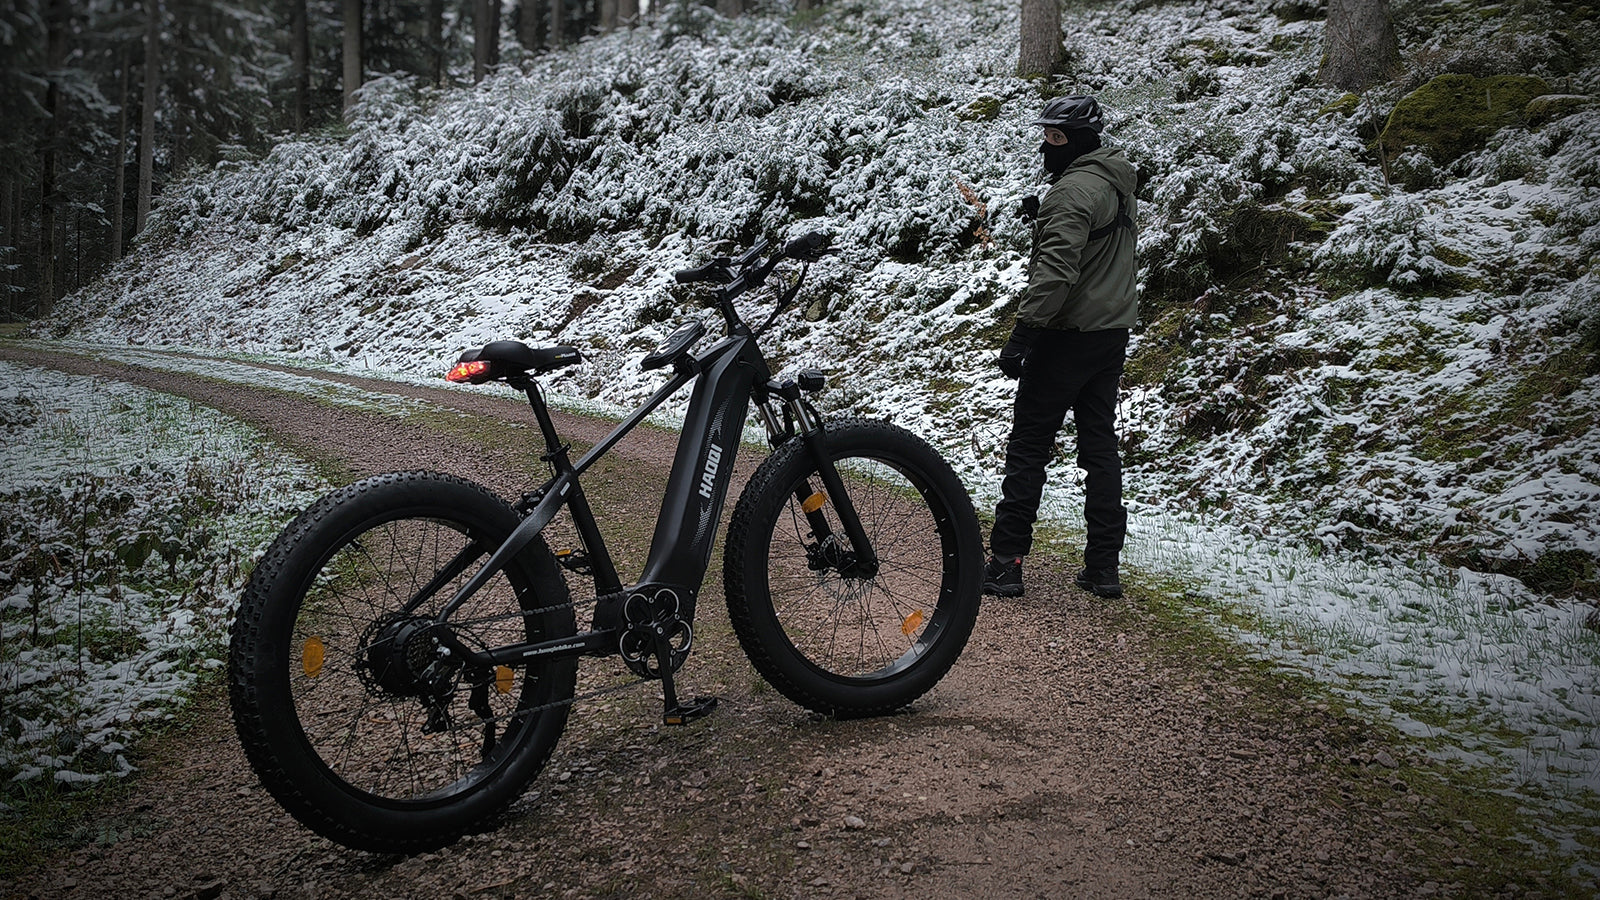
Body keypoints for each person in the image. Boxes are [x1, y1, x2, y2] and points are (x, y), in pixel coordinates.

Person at [983, 95, 1139, 600]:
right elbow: (1098, 247)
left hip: (1064, 335)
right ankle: (1103, 567)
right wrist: (1044, 218)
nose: (1046, 146)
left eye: (1055, 138)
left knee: (1029, 446)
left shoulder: (1071, 192)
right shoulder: (1117, 184)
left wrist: (1023, 334)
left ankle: (1006, 563)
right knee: (1099, 446)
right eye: (1046, 135)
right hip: (1111, 334)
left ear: (1079, 141)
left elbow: (1056, 273)